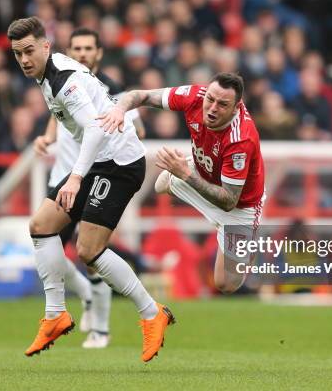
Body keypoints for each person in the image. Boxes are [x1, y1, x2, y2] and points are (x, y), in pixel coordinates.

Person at [8, 17, 174, 362]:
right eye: (17, 54)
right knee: (40, 226)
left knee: (88, 250)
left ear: (45, 46)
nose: (24, 59)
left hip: (120, 165)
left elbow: (95, 130)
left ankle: (150, 312)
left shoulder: (63, 79)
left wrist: (75, 177)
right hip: (100, 161)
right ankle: (55, 315)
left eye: (29, 51)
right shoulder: (48, 74)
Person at [99, 72, 266, 293]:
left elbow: (228, 201)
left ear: (236, 108)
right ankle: (183, 171)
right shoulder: (195, 96)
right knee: (160, 185)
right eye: (211, 99)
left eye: (222, 104)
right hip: (201, 170)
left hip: (240, 206)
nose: (213, 107)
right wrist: (119, 110)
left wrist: (184, 174)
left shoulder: (241, 139)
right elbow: (139, 95)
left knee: (226, 284)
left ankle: (247, 244)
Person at [33, 27, 145, 349]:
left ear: (98, 52)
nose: (82, 53)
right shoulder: (58, 79)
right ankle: (82, 296)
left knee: (90, 252)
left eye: (88, 48)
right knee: (45, 244)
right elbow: (58, 114)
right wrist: (47, 137)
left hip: (96, 174)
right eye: (76, 48)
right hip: (64, 176)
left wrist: (124, 132)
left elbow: (134, 126)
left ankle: (101, 330)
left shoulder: (112, 89)